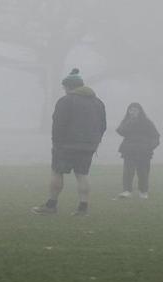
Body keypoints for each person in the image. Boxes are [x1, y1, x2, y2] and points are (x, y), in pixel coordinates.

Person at [33, 68, 107, 216]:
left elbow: (58, 124)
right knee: (82, 175)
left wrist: (56, 143)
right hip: (88, 146)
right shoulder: (98, 102)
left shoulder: (65, 101)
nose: (63, 89)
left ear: (68, 86)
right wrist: (95, 141)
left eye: (64, 87)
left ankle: (51, 205)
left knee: (57, 172)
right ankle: (83, 207)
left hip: (66, 145)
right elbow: (102, 125)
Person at [115, 102, 160, 199]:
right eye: (131, 110)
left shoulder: (147, 122)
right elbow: (120, 131)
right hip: (129, 150)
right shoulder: (126, 121)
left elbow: (156, 136)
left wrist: (150, 147)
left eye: (135, 110)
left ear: (140, 111)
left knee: (143, 172)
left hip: (144, 152)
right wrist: (130, 121)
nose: (133, 112)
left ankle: (143, 192)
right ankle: (127, 191)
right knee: (128, 171)